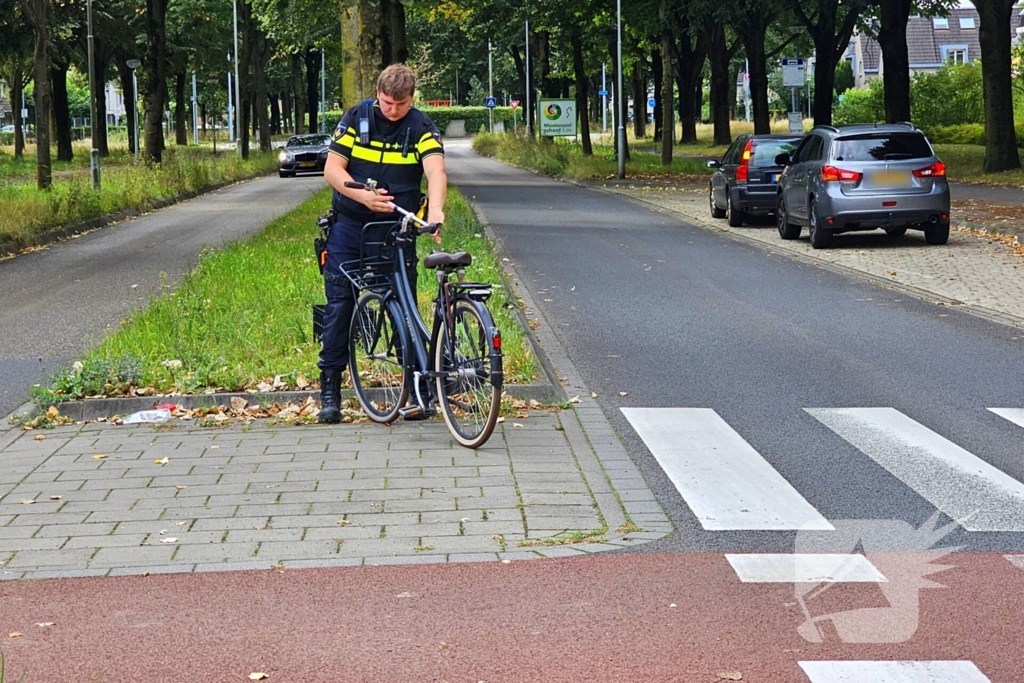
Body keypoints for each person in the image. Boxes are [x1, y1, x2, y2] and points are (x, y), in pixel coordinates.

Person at [318, 64, 447, 423]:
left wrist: (435, 210)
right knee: (340, 304)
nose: (393, 110)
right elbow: (333, 170)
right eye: (388, 103)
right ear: (378, 94)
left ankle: (419, 385)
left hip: (396, 228)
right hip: (350, 225)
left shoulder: (421, 127)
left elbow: (436, 170)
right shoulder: (356, 117)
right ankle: (331, 390)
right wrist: (364, 198)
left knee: (404, 305)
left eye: (401, 104)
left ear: (412, 99)